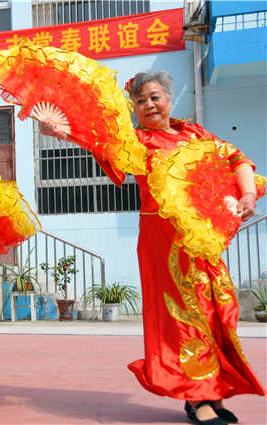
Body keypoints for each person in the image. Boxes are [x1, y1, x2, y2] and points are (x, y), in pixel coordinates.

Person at [39, 70, 265, 424]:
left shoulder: (195, 133)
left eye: (154, 97)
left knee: (218, 309)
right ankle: (197, 399)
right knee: (182, 314)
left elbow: (236, 159)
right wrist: (62, 132)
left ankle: (214, 389)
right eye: (140, 101)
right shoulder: (137, 140)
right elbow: (101, 141)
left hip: (202, 238)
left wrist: (248, 195)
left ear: (169, 99)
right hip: (163, 239)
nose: (148, 105)